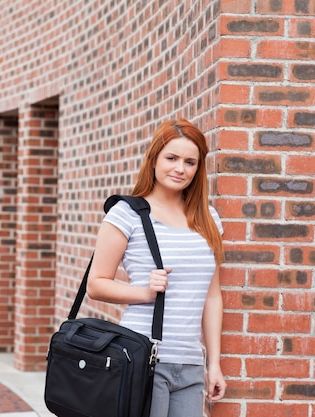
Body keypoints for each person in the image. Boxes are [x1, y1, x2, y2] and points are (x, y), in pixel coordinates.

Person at [87, 119, 227, 417]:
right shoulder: (126, 214)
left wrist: (213, 364)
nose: (181, 168)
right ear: (154, 160)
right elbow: (96, 284)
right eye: (172, 158)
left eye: (190, 162)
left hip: (190, 364)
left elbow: (212, 296)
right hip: (143, 357)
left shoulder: (208, 218)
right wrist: (144, 292)